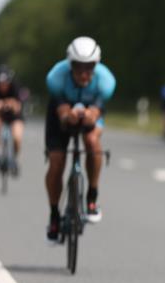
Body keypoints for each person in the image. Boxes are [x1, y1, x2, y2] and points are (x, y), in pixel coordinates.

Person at [44, 36, 116, 241]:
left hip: (90, 111)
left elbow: (96, 113)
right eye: (78, 67)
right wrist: (69, 116)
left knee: (92, 142)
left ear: (96, 65)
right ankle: (54, 215)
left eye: (89, 67)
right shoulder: (56, 78)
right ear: (70, 64)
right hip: (62, 113)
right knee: (57, 161)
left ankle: (92, 197)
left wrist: (89, 115)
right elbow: (62, 113)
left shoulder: (106, 80)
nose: (84, 73)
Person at [0, 66, 24, 175]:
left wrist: (8, 103)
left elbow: (18, 107)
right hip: (0, 114)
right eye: (0, 83)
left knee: (17, 137)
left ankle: (15, 159)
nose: (2, 86)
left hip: (15, 115)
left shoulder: (15, 86)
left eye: (5, 83)